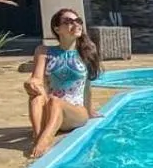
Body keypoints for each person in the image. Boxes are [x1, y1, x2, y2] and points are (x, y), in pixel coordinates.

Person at [24, 8, 101, 159]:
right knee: (37, 94)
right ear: (57, 29)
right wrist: (29, 83)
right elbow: (36, 79)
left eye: (78, 21)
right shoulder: (44, 51)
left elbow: (87, 86)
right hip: (51, 109)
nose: (76, 24)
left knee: (55, 101)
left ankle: (45, 139)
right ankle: (39, 135)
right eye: (69, 22)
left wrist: (90, 110)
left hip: (76, 112)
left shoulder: (86, 52)